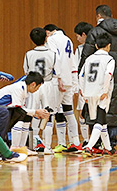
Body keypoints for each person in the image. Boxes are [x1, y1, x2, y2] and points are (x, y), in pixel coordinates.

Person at [78, 5, 117, 152]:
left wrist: (83, 85)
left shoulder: (95, 31)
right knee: (113, 110)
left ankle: (94, 144)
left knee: (94, 112)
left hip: (94, 81)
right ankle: (111, 144)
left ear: (98, 16)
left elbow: (85, 57)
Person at [0, 71, 50, 155]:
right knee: (20, 115)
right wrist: (35, 112)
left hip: (2, 111)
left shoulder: (24, 90)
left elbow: (21, 109)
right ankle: (15, 146)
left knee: (26, 116)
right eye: (37, 88)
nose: (37, 90)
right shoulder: (18, 88)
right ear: (33, 84)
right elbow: (17, 109)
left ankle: (21, 147)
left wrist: (35, 114)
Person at [44, 24, 82, 153]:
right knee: (69, 112)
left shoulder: (51, 39)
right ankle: (76, 142)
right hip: (69, 79)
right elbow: (72, 61)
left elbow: (55, 58)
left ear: (48, 32)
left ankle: (47, 146)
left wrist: (59, 77)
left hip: (57, 80)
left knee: (51, 113)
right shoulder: (68, 39)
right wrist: (74, 82)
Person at [23, 27, 59, 154]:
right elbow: (57, 72)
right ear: (46, 38)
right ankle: (48, 147)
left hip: (33, 86)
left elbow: (26, 71)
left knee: (33, 113)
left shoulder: (28, 54)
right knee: (48, 114)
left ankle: (33, 145)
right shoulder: (53, 54)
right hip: (48, 84)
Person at [79, 33, 116, 156]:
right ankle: (89, 146)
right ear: (108, 46)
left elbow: (81, 75)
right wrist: (105, 91)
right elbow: (108, 75)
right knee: (99, 121)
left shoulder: (89, 59)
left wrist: (83, 92)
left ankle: (108, 148)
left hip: (89, 92)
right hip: (101, 92)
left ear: (95, 45)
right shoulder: (109, 59)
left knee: (102, 120)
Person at [73, 22, 93, 147]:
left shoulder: (84, 49)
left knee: (93, 113)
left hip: (89, 84)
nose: (77, 39)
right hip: (84, 85)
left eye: (78, 36)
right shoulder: (79, 49)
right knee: (82, 113)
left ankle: (94, 141)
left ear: (84, 34)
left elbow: (76, 68)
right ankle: (86, 140)